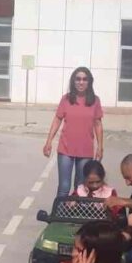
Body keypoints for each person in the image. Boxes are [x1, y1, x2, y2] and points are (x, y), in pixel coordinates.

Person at [43, 67, 104, 197]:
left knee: (81, 187)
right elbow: (57, 120)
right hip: (65, 150)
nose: (81, 82)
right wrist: (49, 141)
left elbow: (98, 124)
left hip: (85, 151)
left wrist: (100, 146)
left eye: (84, 79)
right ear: (73, 81)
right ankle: (60, 209)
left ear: (89, 82)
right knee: (64, 186)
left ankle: (77, 209)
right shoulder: (66, 99)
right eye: (78, 79)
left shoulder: (95, 101)